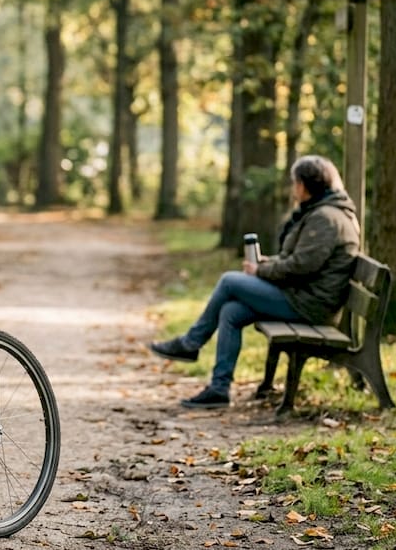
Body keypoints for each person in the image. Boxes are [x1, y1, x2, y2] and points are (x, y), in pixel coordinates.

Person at [148, 155, 360, 409]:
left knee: (229, 281)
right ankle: (219, 389)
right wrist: (267, 264)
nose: (293, 189)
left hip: (310, 305)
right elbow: (301, 260)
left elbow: (302, 267)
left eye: (294, 183)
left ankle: (191, 343)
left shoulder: (326, 217)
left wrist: (261, 272)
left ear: (304, 185)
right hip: (305, 296)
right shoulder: (321, 212)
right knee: (231, 312)